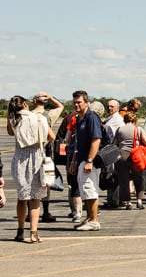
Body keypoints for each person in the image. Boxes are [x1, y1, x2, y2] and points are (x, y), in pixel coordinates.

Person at [6, 95, 54, 243]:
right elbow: (51, 136)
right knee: (35, 198)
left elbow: (9, 132)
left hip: (20, 158)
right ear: (25, 104)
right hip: (37, 157)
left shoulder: (14, 119)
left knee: (22, 198)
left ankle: (20, 231)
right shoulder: (39, 118)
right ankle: (33, 232)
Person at [71, 90, 104, 232]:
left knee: (90, 190)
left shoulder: (91, 117)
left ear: (86, 103)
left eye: (79, 102)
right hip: (81, 159)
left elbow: (96, 139)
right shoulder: (80, 118)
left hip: (90, 160)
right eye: (75, 102)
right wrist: (74, 160)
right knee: (85, 190)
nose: (76, 105)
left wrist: (90, 160)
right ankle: (90, 217)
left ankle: (94, 220)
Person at [30, 92, 64, 223]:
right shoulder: (49, 115)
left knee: (31, 182)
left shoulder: (29, 115)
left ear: (34, 101)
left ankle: (30, 212)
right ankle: (45, 211)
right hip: (45, 152)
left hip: (31, 151)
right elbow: (60, 106)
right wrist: (50, 97)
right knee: (46, 181)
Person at [113, 110, 146, 210]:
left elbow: (114, 144)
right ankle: (139, 200)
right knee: (138, 178)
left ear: (125, 120)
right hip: (136, 156)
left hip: (122, 155)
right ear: (135, 120)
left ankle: (128, 202)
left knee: (124, 180)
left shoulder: (119, 129)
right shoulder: (138, 129)